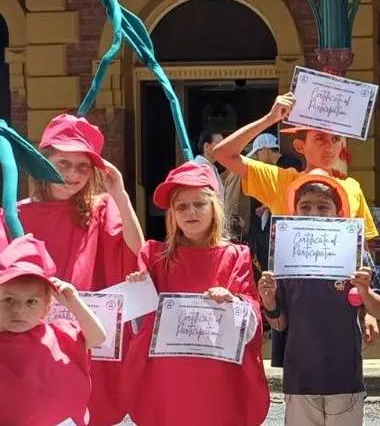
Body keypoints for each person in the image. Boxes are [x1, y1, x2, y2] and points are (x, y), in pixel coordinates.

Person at [212, 92, 380, 351]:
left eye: (335, 139)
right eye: (320, 139)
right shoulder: (282, 180)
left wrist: (369, 310)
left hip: (340, 304)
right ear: (300, 146)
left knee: (343, 379)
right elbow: (223, 154)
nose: (329, 146)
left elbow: (364, 251)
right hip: (294, 303)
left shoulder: (352, 186)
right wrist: (269, 119)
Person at [119, 161, 270, 425]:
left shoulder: (236, 255)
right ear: (172, 215)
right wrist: (138, 291)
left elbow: (252, 316)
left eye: (199, 204)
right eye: (182, 206)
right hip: (169, 377)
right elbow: (138, 327)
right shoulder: (154, 256)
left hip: (217, 375)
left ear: (214, 207)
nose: (191, 212)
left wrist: (233, 302)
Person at [18, 113, 143, 426]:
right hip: (30, 339)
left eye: (83, 166)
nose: (73, 174)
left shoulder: (100, 207)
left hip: (82, 336)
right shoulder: (15, 215)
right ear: (42, 162)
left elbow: (136, 251)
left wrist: (120, 194)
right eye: (63, 163)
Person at [258, 171, 380, 425]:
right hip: (300, 377)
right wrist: (270, 302)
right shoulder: (284, 260)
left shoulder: (355, 254)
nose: (314, 213)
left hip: (344, 375)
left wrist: (366, 293)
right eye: (305, 207)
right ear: (294, 212)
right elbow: (280, 324)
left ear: (338, 214)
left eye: (323, 207)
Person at [0, 235, 107, 426]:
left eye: (31, 302)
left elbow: (98, 337)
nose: (19, 310)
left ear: (47, 308)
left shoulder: (60, 334)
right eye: (8, 300)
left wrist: (74, 303)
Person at [223, 132, 280, 273]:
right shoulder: (242, 171)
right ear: (264, 151)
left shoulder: (260, 170)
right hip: (242, 231)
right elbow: (234, 202)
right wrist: (236, 229)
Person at [191, 130, 225, 197]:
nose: (223, 148)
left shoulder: (211, 166)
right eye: (219, 144)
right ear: (206, 146)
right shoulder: (199, 168)